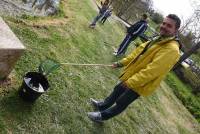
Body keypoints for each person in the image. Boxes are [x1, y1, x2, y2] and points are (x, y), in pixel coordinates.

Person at [87, 14, 181, 123]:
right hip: (133, 73)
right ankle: (102, 106)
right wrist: (120, 63)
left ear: (176, 30)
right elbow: (137, 54)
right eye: (164, 23)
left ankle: (102, 117)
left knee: (122, 101)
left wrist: (131, 82)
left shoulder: (172, 49)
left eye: (169, 25)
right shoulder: (158, 39)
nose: (164, 26)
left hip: (142, 82)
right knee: (117, 90)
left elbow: (152, 71)